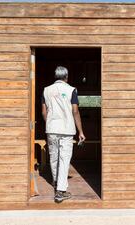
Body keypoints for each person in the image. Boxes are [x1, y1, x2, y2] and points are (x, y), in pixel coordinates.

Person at [41, 66, 86, 203]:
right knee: (64, 159)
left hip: (51, 129)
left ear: (55, 76)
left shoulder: (46, 90)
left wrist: (49, 123)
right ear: (66, 77)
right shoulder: (72, 90)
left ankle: (56, 183)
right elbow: (75, 111)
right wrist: (81, 131)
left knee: (54, 157)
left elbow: (44, 112)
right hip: (66, 129)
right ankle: (60, 191)